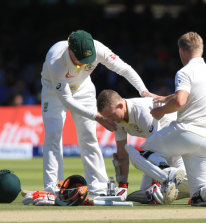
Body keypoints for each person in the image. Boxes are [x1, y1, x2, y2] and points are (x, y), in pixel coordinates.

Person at [125, 32, 206, 207]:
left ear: (182, 51)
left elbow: (180, 101)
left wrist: (162, 111)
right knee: (198, 195)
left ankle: (169, 175)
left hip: (187, 132)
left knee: (139, 151)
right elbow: (190, 96)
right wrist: (167, 98)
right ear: (201, 50)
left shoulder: (185, 72)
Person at [40, 30, 156, 195]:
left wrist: (143, 91)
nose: (83, 63)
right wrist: (97, 116)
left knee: (88, 135)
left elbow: (124, 69)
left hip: (83, 87)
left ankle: (98, 186)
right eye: (79, 59)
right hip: (54, 91)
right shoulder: (55, 61)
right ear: (70, 50)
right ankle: (53, 187)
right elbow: (67, 100)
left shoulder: (98, 49)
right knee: (53, 135)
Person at [97, 89, 206, 204]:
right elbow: (121, 154)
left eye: (111, 116)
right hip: (163, 148)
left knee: (142, 157)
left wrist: (156, 184)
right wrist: (122, 185)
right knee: (146, 193)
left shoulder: (142, 111)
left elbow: (155, 148)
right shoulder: (117, 120)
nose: (110, 121)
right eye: (107, 117)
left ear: (120, 106)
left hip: (177, 140)